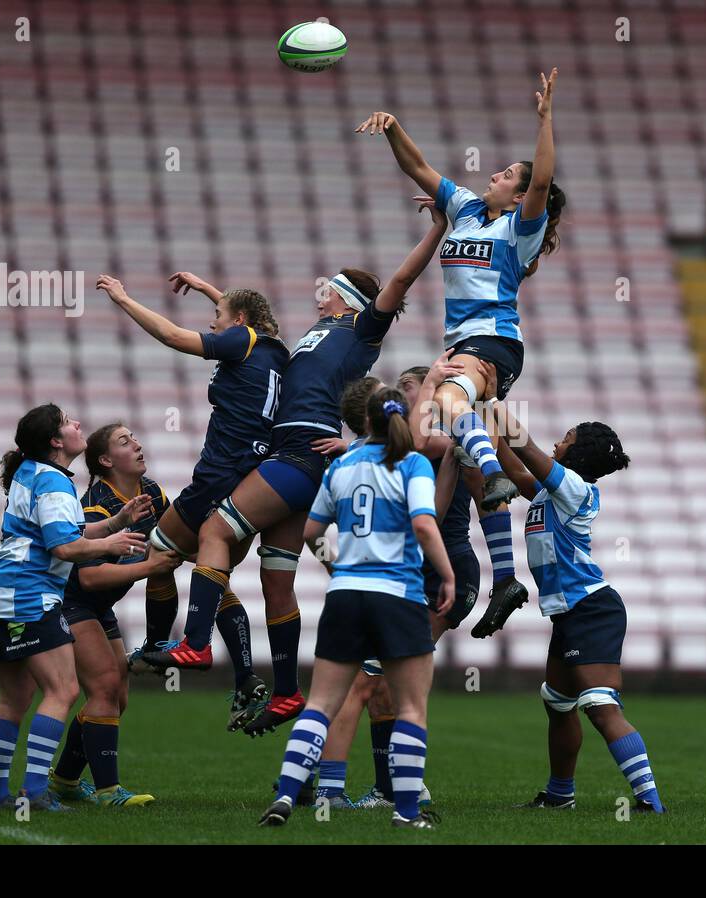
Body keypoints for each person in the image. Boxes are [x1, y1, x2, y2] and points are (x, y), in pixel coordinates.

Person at [145, 197, 449, 742]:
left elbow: (400, 281)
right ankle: (286, 691)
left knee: (213, 529)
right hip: (302, 462)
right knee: (275, 580)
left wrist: (439, 230)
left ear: (348, 299)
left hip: (295, 456)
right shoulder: (315, 335)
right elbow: (256, 335)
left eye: (330, 286)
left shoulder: (359, 328)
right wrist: (214, 292)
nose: (322, 291)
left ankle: (194, 641)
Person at [356, 67, 567, 637]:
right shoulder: (467, 208)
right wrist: (394, 128)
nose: (494, 175)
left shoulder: (519, 229)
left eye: (507, 174)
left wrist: (545, 121)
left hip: (493, 340)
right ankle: (505, 579)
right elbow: (419, 168)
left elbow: (543, 182)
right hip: (466, 342)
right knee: (464, 455)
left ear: (519, 194)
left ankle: (498, 470)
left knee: (448, 404)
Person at [96, 275, 286, 727]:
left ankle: (160, 646)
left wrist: (124, 298)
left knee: (162, 547)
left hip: (221, 471)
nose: (212, 323)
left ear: (239, 322)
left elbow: (171, 335)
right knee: (212, 571)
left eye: (217, 317)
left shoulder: (240, 339)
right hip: (253, 479)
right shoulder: (274, 348)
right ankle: (243, 679)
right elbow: (244, 311)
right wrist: (206, 288)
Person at [259, 387, 453, 831]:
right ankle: (406, 813)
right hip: (397, 593)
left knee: (321, 704)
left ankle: (287, 796)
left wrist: (338, 566)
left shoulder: (342, 465)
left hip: (345, 593)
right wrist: (447, 574)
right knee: (410, 708)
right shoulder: (414, 463)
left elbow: (311, 530)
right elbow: (424, 524)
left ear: (363, 421)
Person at [489, 403, 665, 813]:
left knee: (600, 706)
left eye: (565, 438)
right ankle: (559, 796)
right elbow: (515, 471)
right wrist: (481, 435)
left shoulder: (573, 487)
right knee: (558, 702)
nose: (556, 442)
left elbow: (527, 448)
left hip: (591, 608)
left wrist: (491, 401)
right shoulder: (555, 491)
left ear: (577, 453)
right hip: (570, 612)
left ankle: (650, 802)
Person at [0, 404, 150, 811]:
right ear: (56, 441)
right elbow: (64, 547)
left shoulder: (31, 473)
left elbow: (65, 531)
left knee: (15, 698)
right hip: (28, 593)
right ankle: (37, 791)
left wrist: (113, 523)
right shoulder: (54, 481)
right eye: (68, 422)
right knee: (64, 689)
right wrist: (112, 545)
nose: (77, 425)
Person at [47, 423, 183, 806]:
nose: (137, 443)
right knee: (105, 686)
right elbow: (89, 578)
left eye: (136, 437)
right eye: (125, 441)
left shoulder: (153, 492)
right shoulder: (96, 503)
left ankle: (65, 780)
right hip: (73, 602)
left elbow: (177, 537)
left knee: (116, 697)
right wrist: (149, 568)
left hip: (99, 606)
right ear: (106, 460)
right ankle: (109, 791)